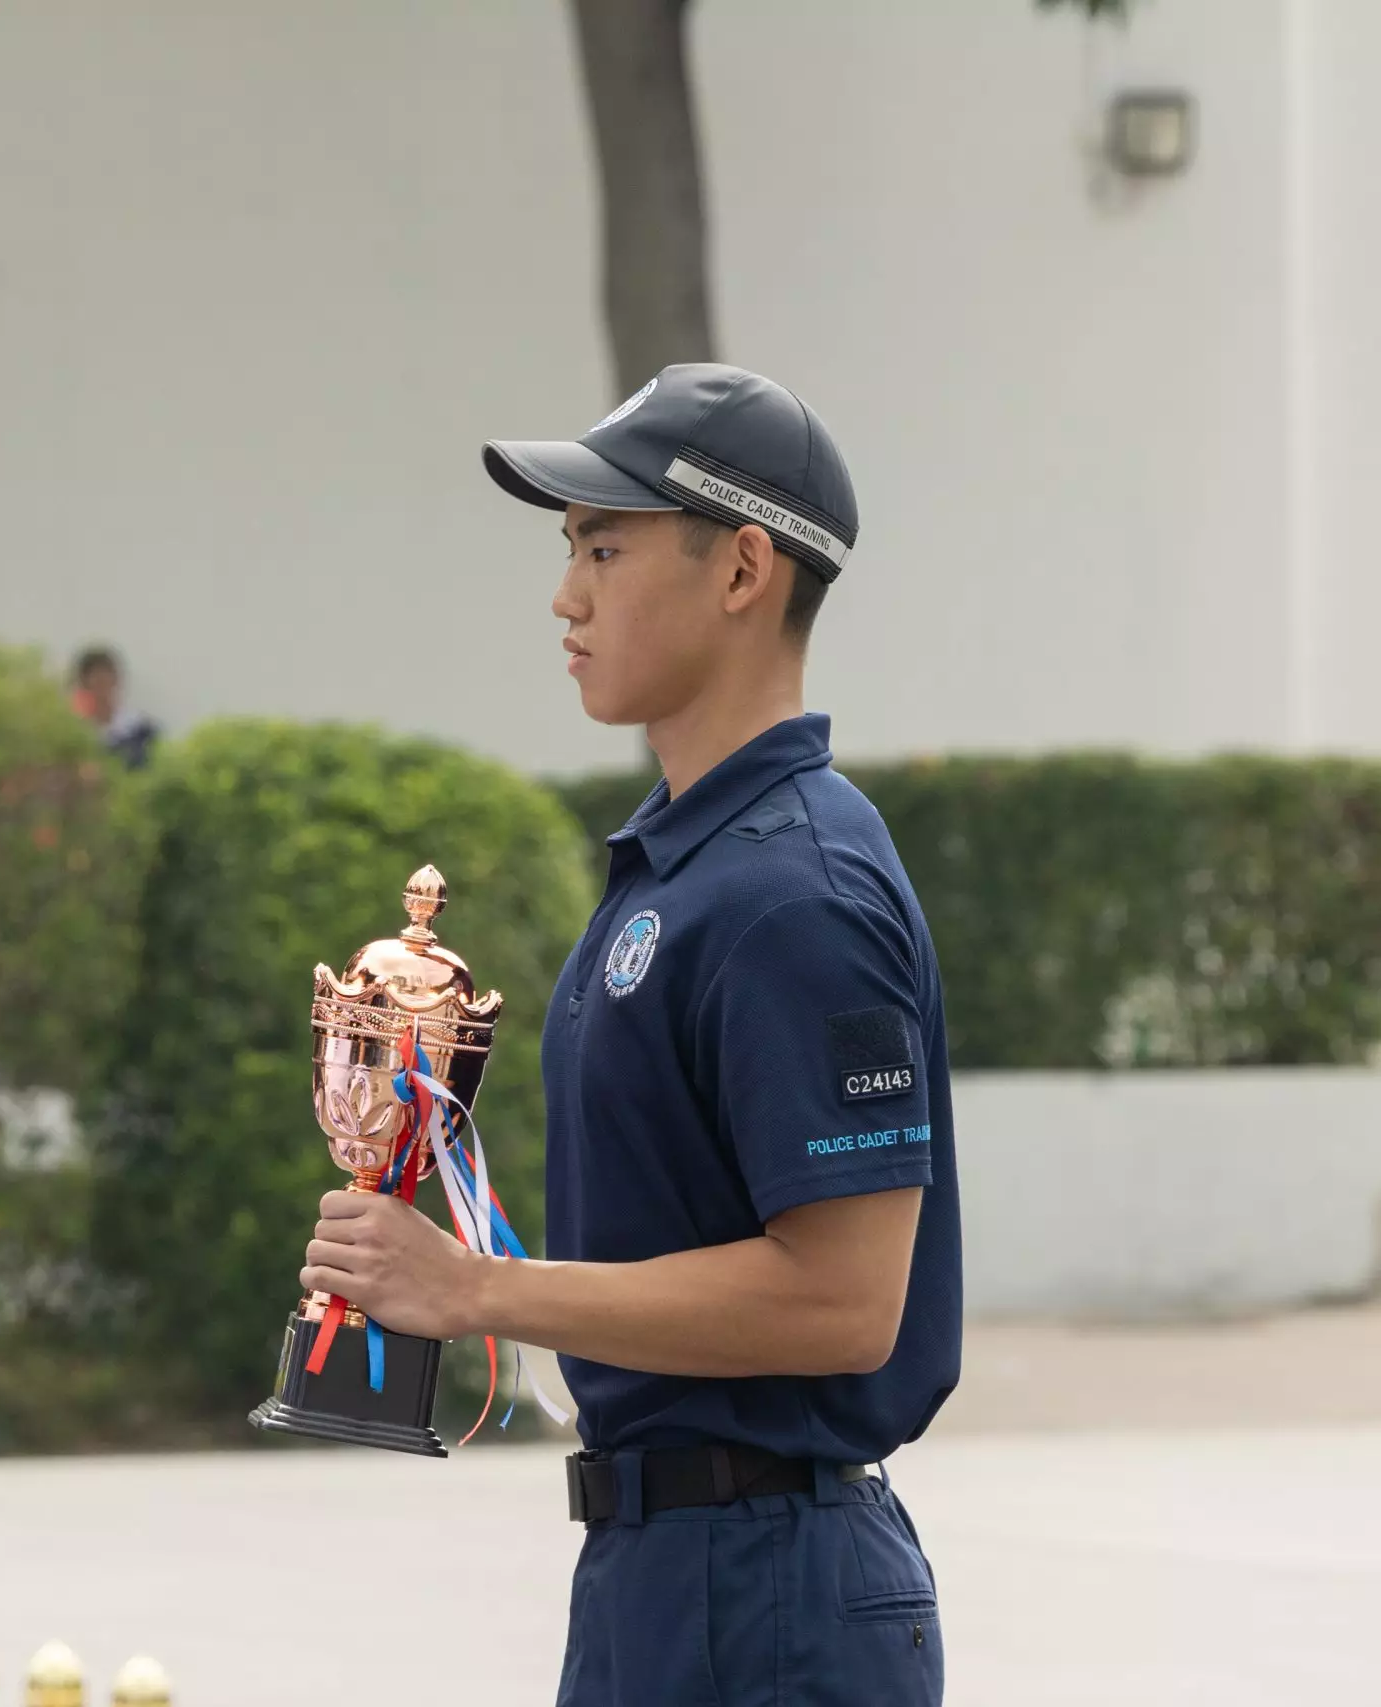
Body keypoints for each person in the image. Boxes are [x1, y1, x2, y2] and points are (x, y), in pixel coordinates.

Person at [301, 364, 959, 1705]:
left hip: (766, 1585)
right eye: (569, 550)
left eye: (605, 548)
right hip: (665, 1565)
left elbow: (844, 1301)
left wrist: (479, 1289)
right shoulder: (688, 865)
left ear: (744, 571)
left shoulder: (797, 890)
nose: (567, 595)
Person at [69, 646, 160, 769]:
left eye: (105, 676)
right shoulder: (76, 734)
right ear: (84, 684)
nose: (101, 682)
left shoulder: (140, 729)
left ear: (116, 680)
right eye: (94, 678)